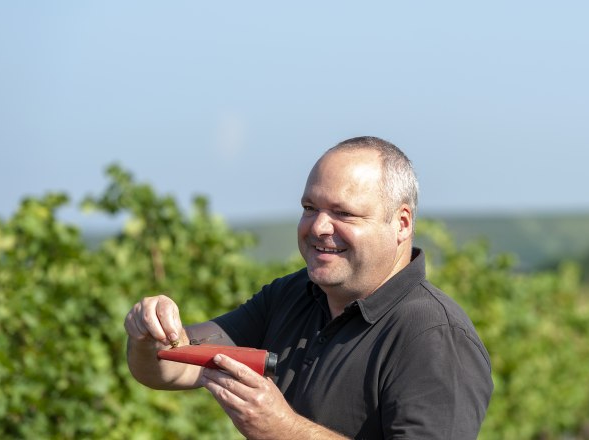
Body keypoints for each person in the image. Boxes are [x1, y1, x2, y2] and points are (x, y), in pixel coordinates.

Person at [125, 136, 493, 439]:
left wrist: (283, 430)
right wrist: (150, 337)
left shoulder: (434, 335)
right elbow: (174, 367)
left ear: (401, 223)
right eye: (309, 207)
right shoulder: (292, 296)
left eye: (343, 213)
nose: (318, 227)